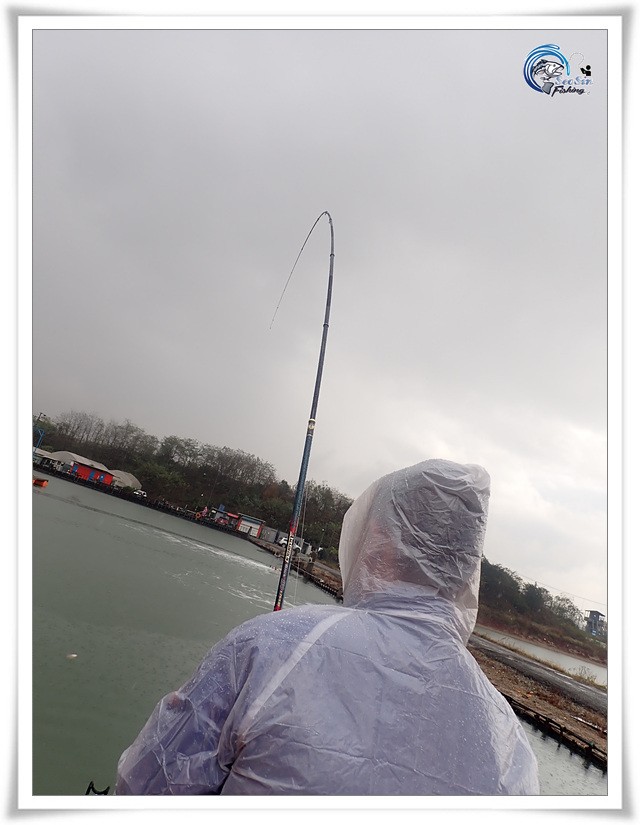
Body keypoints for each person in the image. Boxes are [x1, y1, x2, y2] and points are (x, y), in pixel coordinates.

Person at [116, 458, 539, 795]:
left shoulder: (271, 647)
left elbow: (148, 785)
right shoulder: (510, 745)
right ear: (467, 567)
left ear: (378, 541)